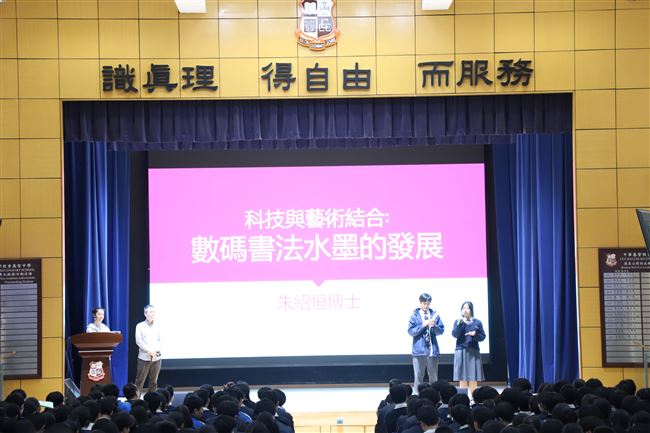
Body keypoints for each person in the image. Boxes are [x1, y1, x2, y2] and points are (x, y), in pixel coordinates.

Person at [408, 293, 444, 392]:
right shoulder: (414, 316)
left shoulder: (435, 315)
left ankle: (434, 397)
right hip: (418, 350)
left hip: (432, 350)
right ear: (420, 303)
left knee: (434, 378)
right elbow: (411, 332)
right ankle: (416, 397)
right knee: (418, 377)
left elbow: (441, 331)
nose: (426, 306)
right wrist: (423, 325)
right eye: (424, 303)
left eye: (428, 304)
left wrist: (434, 326)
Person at [452, 301, 486, 398]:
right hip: (460, 351)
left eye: (467, 308)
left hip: (473, 351)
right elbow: (454, 334)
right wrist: (460, 323)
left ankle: (474, 399)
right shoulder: (458, 321)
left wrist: (475, 335)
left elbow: (483, 337)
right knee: (462, 377)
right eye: (463, 308)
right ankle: (463, 399)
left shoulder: (477, 322)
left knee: (473, 377)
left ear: (471, 310)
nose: (465, 310)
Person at [135, 304, 162, 393]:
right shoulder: (140, 326)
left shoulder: (158, 325)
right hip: (144, 357)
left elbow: (161, 340)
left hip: (157, 357)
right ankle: (136, 398)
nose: (152, 314)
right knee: (140, 380)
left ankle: (152, 398)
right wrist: (149, 350)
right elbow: (138, 341)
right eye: (150, 312)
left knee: (154, 381)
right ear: (145, 314)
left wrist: (155, 350)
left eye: (154, 312)